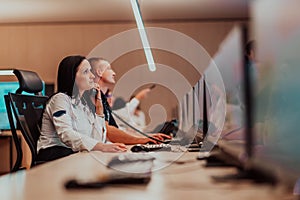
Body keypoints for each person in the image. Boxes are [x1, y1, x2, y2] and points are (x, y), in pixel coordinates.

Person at [37, 55, 127, 162]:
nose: (92, 76)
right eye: (86, 72)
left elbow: (96, 140)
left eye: (90, 71)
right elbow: (66, 134)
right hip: (53, 154)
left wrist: (99, 109)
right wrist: (101, 147)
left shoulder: (84, 104)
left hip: (72, 154)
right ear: (72, 77)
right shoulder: (60, 99)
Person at [88, 57, 171, 143]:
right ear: (99, 72)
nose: (114, 73)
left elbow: (116, 129)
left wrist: (145, 136)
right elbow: (107, 130)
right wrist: (142, 139)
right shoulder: (92, 97)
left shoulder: (102, 99)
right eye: (109, 69)